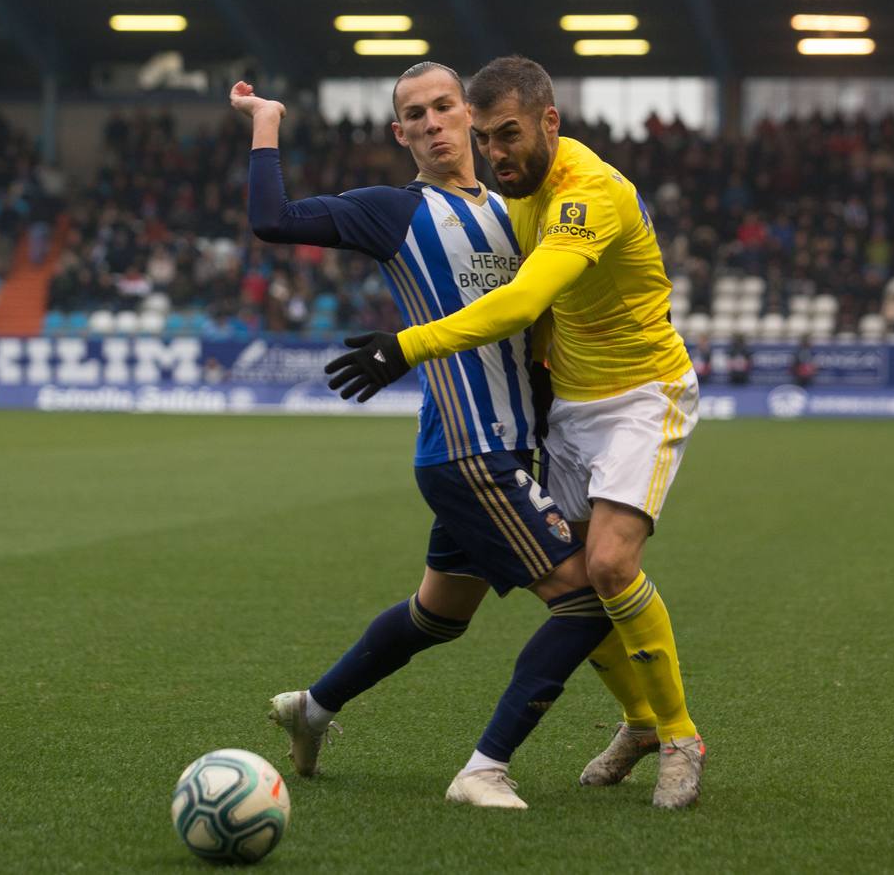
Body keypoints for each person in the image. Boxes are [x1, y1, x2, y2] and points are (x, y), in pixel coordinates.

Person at [232, 66, 647, 809]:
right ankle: (483, 768)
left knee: (438, 616)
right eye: (414, 115)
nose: (431, 122)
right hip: (468, 452)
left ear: (471, 118)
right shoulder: (393, 211)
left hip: (511, 449)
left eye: (443, 108)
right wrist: (266, 122)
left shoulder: (519, 211)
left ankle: (312, 707)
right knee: (586, 599)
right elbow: (274, 219)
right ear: (401, 135)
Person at [324, 56, 707, 808]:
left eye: (510, 136)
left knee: (606, 567)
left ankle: (679, 736)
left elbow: (519, 301)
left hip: (639, 396)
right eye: (489, 139)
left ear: (549, 123)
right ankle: (636, 722)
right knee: (577, 581)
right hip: (568, 407)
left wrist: (403, 346)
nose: (497, 154)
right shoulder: (516, 192)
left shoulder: (584, 193)